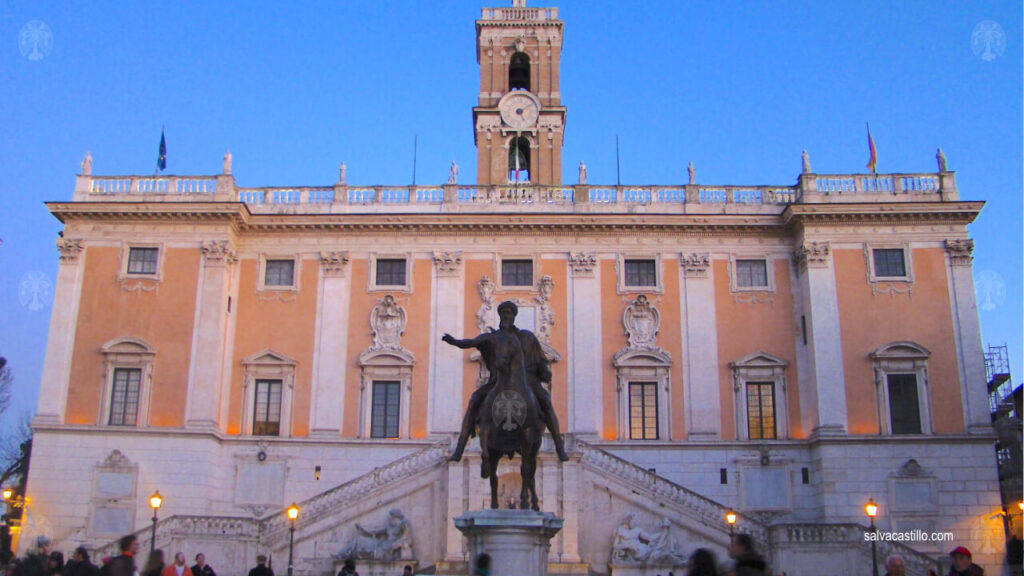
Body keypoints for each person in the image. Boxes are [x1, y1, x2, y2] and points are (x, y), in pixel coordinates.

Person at [445, 300, 569, 463]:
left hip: (529, 381)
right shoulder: (495, 338)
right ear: (500, 316)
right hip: (497, 380)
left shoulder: (527, 337)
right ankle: (459, 448)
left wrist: (544, 370)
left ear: (514, 316)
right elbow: (472, 342)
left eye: (509, 313)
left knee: (545, 402)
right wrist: (454, 341)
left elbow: (541, 359)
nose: (506, 317)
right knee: (474, 400)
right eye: (503, 314)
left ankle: (559, 447)